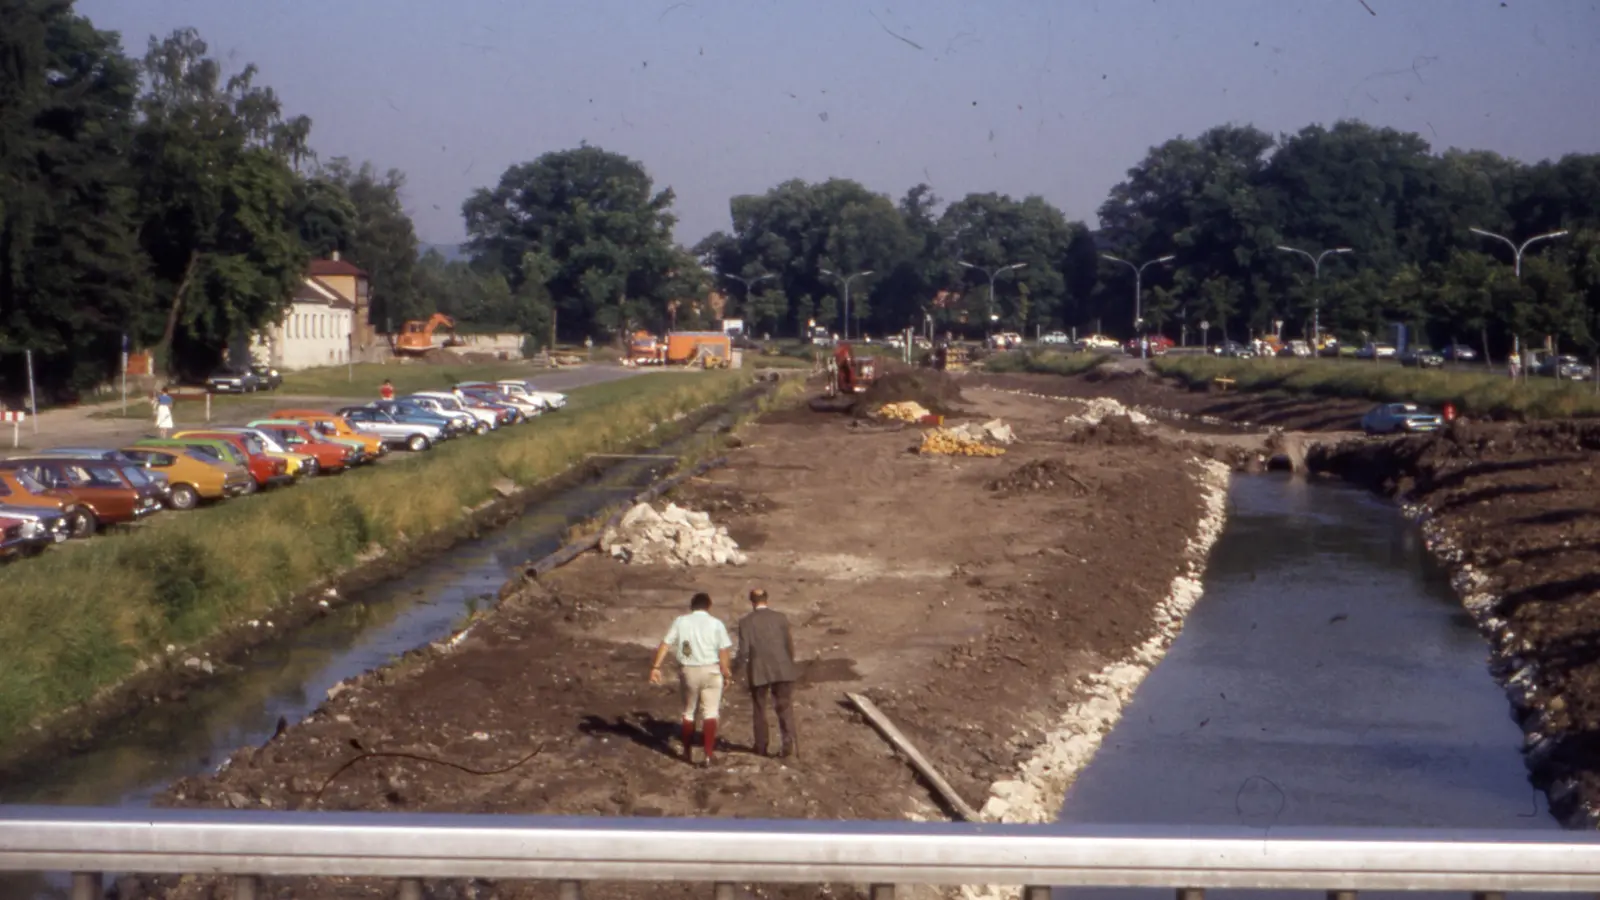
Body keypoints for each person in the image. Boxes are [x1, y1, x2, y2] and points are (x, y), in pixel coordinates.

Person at [648, 592, 733, 766]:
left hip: (689, 670)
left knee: (689, 711)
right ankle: (708, 753)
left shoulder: (681, 622)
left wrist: (656, 667)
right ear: (709, 606)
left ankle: (687, 752)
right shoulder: (716, 623)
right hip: (711, 670)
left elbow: (666, 644)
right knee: (711, 712)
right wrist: (726, 672)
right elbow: (723, 650)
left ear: (691, 606)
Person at [735, 588, 800, 758]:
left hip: (759, 670)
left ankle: (761, 746)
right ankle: (788, 744)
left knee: (759, 708)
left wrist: (735, 670)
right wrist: (789, 663)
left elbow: (744, 651)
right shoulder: (781, 618)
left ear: (752, 601)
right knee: (784, 707)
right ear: (766, 599)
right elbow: (789, 645)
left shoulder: (745, 622)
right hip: (782, 667)